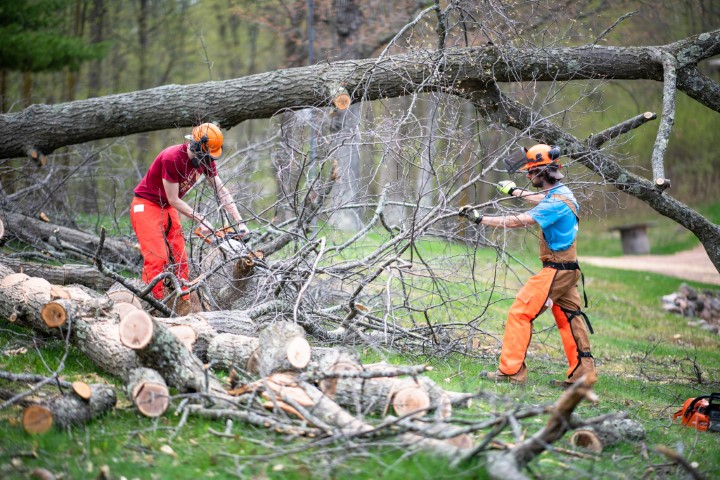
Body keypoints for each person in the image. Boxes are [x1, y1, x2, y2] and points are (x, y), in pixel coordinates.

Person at [458, 144, 595, 387]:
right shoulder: (562, 193)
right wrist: (515, 191)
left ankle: (511, 373)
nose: (528, 176)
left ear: (543, 172)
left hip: (557, 270)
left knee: (520, 312)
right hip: (569, 269)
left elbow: (519, 221)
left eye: (531, 172)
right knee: (570, 317)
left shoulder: (555, 204)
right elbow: (542, 199)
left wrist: (480, 219)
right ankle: (583, 378)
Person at [130, 123, 249, 310]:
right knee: (157, 258)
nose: (207, 161)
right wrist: (202, 220)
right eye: (205, 156)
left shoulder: (206, 159)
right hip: (146, 205)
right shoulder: (172, 158)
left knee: (180, 258)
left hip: (167, 207)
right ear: (195, 145)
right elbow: (173, 198)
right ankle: (153, 307)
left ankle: (182, 303)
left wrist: (240, 222)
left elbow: (221, 191)